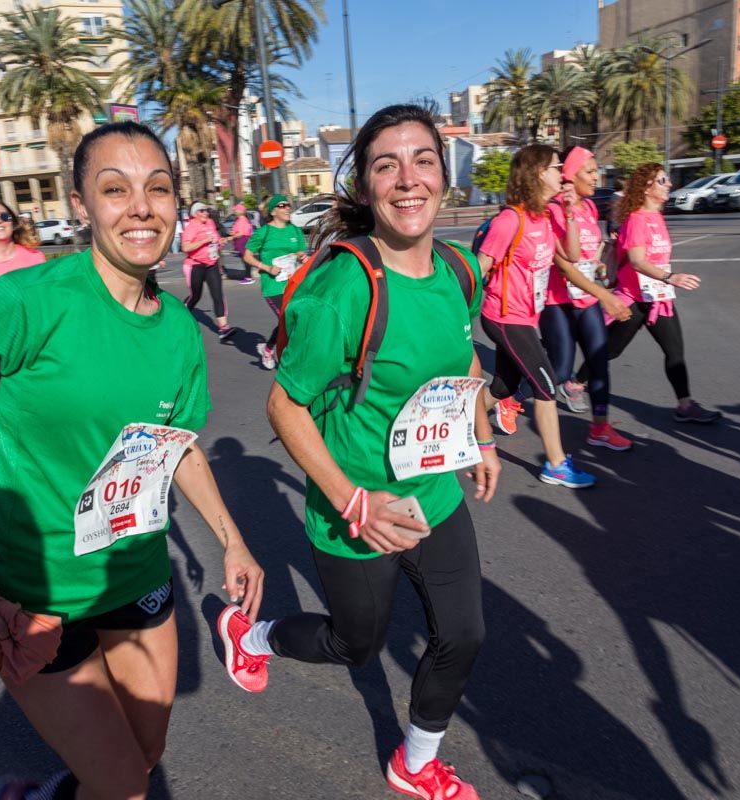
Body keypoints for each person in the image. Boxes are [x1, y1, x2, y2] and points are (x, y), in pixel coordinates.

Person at [0, 120, 265, 800]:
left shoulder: (179, 329)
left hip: (136, 573)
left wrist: (233, 543)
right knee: (123, 786)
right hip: (35, 595)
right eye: (114, 189)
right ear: (81, 204)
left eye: (159, 188)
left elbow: (173, 447)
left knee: (143, 757)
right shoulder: (21, 304)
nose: (142, 206)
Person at [219, 104, 500, 800]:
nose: (408, 179)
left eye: (423, 160)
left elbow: (460, 355)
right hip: (354, 507)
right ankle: (253, 637)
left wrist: (480, 433)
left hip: (431, 492)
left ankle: (416, 761)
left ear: (443, 175)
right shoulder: (346, 287)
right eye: (387, 165)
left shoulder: (460, 269)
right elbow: (284, 406)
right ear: (366, 185)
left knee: (463, 635)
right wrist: (354, 498)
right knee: (357, 646)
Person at [476, 143, 595, 488]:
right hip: (503, 317)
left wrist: (570, 213)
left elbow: (571, 255)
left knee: (503, 386)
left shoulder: (543, 218)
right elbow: (481, 266)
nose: (562, 174)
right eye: (556, 167)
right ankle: (555, 464)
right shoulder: (509, 220)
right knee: (546, 386)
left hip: (526, 317)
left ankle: (461, 425)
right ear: (536, 174)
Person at [583, 162, 720, 423]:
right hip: (634, 299)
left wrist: (665, 282)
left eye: (667, 179)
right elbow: (636, 260)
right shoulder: (636, 219)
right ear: (647, 187)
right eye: (662, 180)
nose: (669, 183)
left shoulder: (657, 217)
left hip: (658, 298)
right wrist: (671, 277)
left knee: (675, 352)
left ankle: (685, 405)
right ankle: (577, 383)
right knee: (610, 351)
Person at [544, 146, 635, 451]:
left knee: (599, 362)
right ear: (570, 175)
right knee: (558, 369)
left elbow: (587, 252)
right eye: (590, 171)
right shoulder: (553, 209)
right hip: (558, 302)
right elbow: (566, 266)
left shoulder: (591, 209)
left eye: (597, 171)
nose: (597, 177)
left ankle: (599, 428)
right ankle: (507, 398)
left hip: (587, 298)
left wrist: (598, 264)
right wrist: (607, 297)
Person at [242, 194, 307, 370]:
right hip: (273, 286)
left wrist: (302, 256)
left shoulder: (294, 230)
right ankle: (278, 353)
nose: (287, 208)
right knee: (288, 320)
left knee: (295, 319)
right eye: (282, 205)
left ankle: (269, 348)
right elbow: (247, 256)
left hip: (293, 284)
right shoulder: (264, 232)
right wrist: (266, 267)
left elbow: (301, 252)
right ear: (273, 211)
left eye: (288, 205)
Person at [181, 201, 236, 341]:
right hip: (196, 265)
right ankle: (182, 313)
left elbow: (216, 239)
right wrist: (203, 241)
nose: (206, 213)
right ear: (195, 213)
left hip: (211, 264)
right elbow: (185, 248)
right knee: (196, 296)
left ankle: (223, 328)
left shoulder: (210, 222)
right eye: (202, 211)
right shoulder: (191, 226)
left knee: (218, 294)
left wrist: (221, 241)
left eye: (206, 210)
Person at [229, 202, 255, 284]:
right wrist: (233, 233)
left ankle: (248, 277)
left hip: (243, 241)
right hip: (244, 240)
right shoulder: (242, 219)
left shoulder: (241, 220)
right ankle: (249, 276)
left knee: (246, 259)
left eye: (236, 210)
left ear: (240, 211)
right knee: (246, 259)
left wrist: (231, 237)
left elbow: (240, 233)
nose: (235, 212)